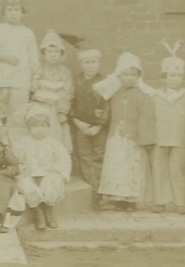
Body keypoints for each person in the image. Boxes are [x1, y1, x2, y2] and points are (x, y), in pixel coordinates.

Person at [94, 52, 156, 211]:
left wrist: (143, 139)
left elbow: (146, 118)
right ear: (120, 75)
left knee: (131, 168)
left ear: (138, 75)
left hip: (133, 138)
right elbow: (100, 92)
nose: (129, 78)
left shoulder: (143, 95)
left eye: (133, 74)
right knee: (117, 167)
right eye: (125, 74)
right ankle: (117, 198)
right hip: (115, 137)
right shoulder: (115, 92)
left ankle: (130, 200)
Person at [12, 102, 72, 230]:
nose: (39, 129)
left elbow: (64, 159)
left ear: (48, 127)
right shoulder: (22, 143)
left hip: (48, 172)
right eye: (36, 126)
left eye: (43, 126)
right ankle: (37, 212)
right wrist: (22, 169)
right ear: (29, 128)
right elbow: (15, 160)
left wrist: (56, 169)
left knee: (52, 183)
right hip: (29, 173)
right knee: (27, 185)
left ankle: (49, 210)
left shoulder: (53, 143)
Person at [151, 41, 185, 214]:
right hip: (159, 137)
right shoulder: (155, 96)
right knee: (159, 168)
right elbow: (151, 117)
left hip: (178, 138)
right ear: (164, 78)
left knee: (178, 169)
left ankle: (180, 201)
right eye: (171, 75)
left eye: (178, 76)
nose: (175, 79)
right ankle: (159, 200)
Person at [68, 40, 109, 209]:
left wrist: (99, 125)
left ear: (98, 63)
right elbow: (70, 103)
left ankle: (98, 194)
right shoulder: (75, 81)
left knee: (98, 158)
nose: (90, 66)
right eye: (86, 62)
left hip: (99, 128)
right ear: (81, 64)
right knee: (83, 157)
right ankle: (87, 194)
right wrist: (78, 123)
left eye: (93, 62)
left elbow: (107, 105)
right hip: (81, 126)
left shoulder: (104, 81)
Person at [0, 0, 39, 122]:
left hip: (20, 79)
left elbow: (33, 57)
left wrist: (35, 77)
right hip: (1, 77)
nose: (13, 13)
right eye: (9, 10)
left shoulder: (27, 32)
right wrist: (3, 58)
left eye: (17, 10)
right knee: (0, 115)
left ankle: (16, 141)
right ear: (4, 12)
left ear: (22, 12)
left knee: (18, 115)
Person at [29, 30, 74, 153]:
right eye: (49, 51)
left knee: (56, 138)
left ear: (61, 53)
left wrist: (62, 111)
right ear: (43, 53)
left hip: (55, 111)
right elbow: (33, 90)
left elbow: (66, 93)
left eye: (56, 52)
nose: (53, 55)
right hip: (39, 108)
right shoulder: (38, 69)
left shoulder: (65, 72)